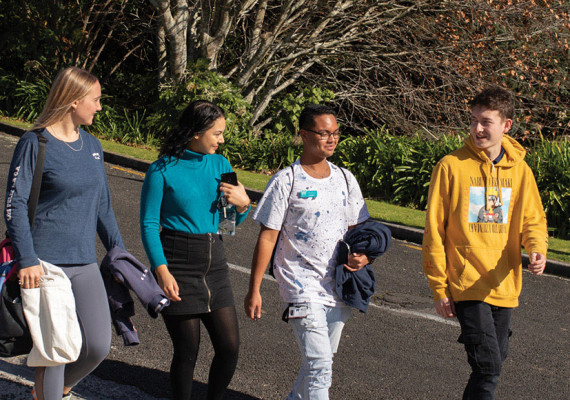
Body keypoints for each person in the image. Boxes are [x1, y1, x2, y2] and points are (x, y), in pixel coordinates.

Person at [4, 67, 125, 400]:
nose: (99, 106)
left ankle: (51, 392)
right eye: (95, 99)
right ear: (73, 101)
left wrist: (119, 254)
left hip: (84, 262)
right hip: (44, 265)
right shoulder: (35, 142)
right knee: (56, 352)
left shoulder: (93, 146)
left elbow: (103, 206)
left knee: (96, 346)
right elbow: (14, 205)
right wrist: (27, 259)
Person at [422, 86, 548, 400]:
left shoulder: (520, 170)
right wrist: (439, 287)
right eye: (474, 120)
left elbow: (533, 219)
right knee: (488, 365)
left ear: (506, 125)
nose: (477, 128)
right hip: (467, 283)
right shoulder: (451, 166)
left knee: (490, 369)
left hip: (504, 284)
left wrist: (537, 249)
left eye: (486, 121)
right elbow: (434, 231)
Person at [244, 104, 370, 399]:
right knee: (319, 366)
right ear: (304, 135)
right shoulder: (286, 181)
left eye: (336, 133)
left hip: (338, 285)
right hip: (300, 285)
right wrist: (254, 290)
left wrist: (365, 256)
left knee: (321, 362)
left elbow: (360, 232)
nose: (332, 139)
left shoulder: (345, 179)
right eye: (324, 133)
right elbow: (267, 237)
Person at [140, 100, 251, 400]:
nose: (222, 140)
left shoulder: (222, 165)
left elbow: (227, 224)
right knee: (187, 351)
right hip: (177, 263)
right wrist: (161, 271)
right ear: (195, 132)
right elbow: (149, 225)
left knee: (229, 348)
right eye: (217, 133)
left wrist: (244, 207)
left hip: (215, 262)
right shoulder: (161, 169)